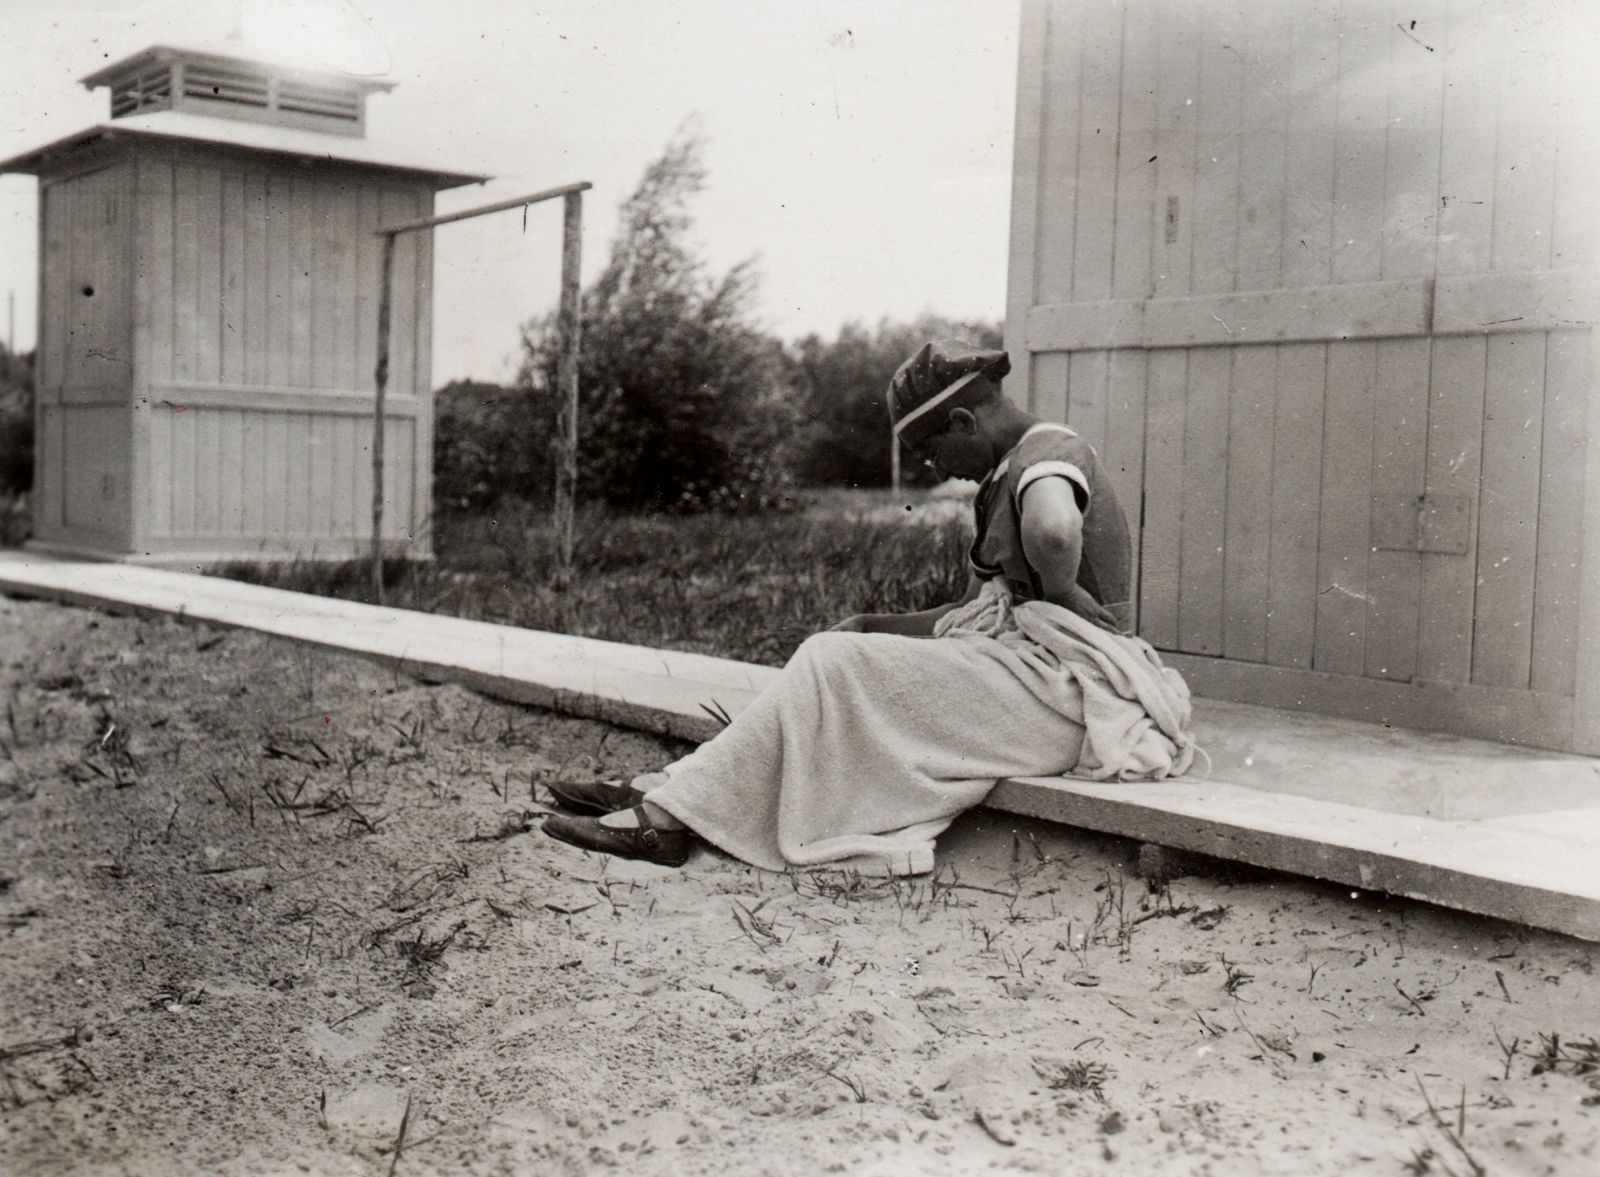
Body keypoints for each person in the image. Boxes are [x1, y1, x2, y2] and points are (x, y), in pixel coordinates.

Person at [542, 340, 1195, 871]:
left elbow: (1054, 530)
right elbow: (968, 609)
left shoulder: (1049, 454)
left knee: (834, 666)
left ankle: (666, 817)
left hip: (1074, 695)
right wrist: (871, 626)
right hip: (1035, 682)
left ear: (965, 421)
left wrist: (1062, 596)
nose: (938, 468)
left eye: (933, 452)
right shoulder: (1008, 470)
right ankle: (674, 789)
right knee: (837, 657)